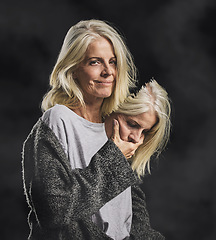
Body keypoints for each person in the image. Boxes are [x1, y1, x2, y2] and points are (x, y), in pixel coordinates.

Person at [22, 19, 170, 240]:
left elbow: (134, 221)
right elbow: (55, 213)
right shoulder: (59, 120)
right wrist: (113, 158)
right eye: (95, 62)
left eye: (113, 62)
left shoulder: (114, 128)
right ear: (72, 69)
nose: (108, 72)